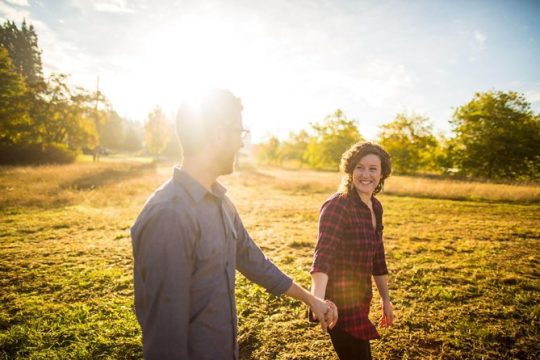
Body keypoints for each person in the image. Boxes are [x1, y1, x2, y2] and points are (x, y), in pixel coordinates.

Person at [130, 89, 337, 360]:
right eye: (239, 132)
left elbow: (253, 261)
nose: (241, 144)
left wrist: (310, 299)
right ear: (217, 133)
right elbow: (165, 341)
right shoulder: (169, 216)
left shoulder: (221, 203)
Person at [310, 142, 393, 360]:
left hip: (361, 298)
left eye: (373, 168)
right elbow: (323, 254)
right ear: (350, 170)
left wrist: (386, 299)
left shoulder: (375, 206)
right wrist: (317, 299)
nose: (366, 174)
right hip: (338, 303)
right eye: (359, 167)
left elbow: (378, 256)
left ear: (382, 173)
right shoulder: (338, 205)